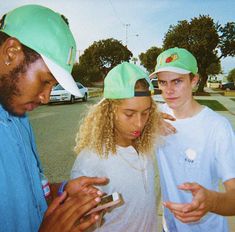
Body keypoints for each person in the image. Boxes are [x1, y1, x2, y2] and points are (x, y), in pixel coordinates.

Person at [0, 5, 108, 232]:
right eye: (45, 80)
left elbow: (29, 192)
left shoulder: (18, 116)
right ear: (11, 52)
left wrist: (63, 192)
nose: (46, 97)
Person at [150, 47, 235, 231]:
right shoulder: (155, 116)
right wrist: (149, 123)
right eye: (163, 83)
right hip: (169, 226)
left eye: (177, 81)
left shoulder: (217, 127)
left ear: (194, 80)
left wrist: (211, 202)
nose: (169, 90)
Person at [71, 62, 162, 231]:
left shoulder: (143, 146)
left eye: (146, 112)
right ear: (109, 111)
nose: (139, 124)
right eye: (129, 114)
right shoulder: (91, 159)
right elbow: (77, 221)